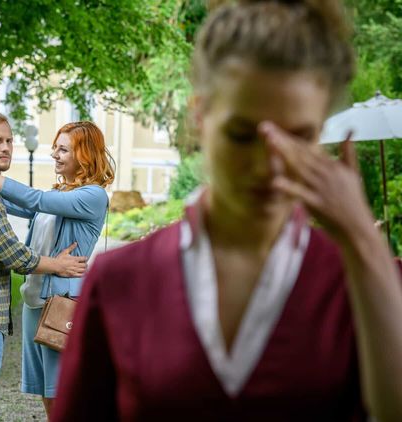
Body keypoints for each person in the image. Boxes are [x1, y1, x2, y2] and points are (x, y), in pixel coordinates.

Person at [52, 1, 402, 421]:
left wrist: (363, 241)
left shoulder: (363, 282)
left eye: (298, 137)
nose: (269, 165)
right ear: (201, 116)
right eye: (242, 134)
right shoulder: (120, 281)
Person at [0, 120, 114, 419]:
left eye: (63, 150)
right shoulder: (60, 193)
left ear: (85, 154)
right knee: (47, 393)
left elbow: (34, 199)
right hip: (35, 303)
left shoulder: (93, 196)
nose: (54, 155)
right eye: (55, 148)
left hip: (63, 305)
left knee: (65, 394)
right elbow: (10, 200)